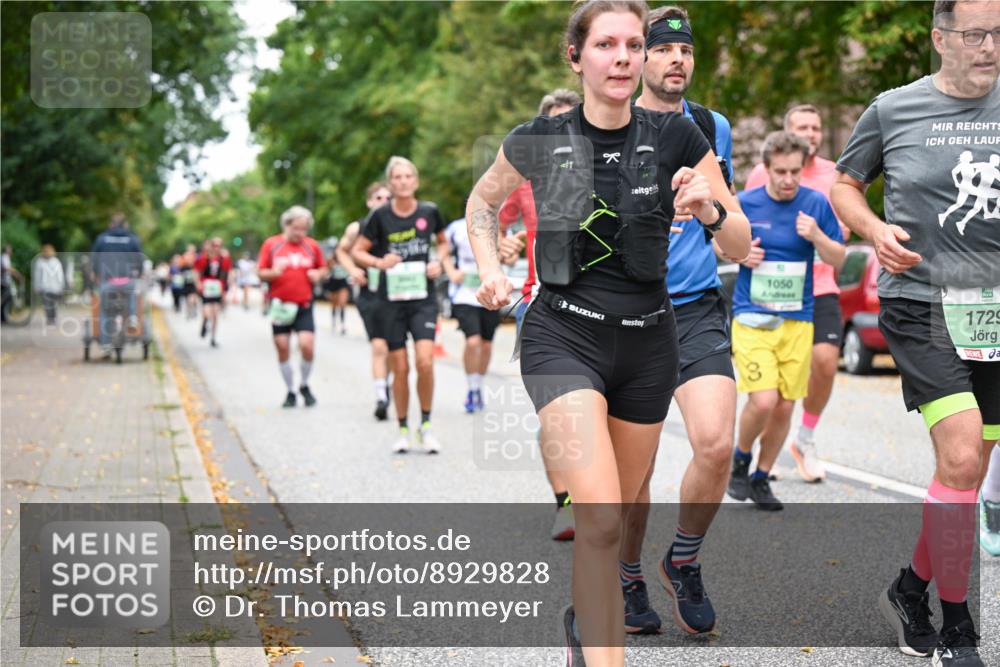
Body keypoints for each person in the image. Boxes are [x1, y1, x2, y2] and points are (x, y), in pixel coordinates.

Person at [466, 2, 751, 663]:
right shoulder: (540, 137)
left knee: (619, 512)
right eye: (606, 44)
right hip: (563, 336)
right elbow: (483, 202)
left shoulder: (679, 137)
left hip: (651, 342)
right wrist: (489, 269)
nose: (623, 56)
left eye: (633, 44)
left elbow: (738, 236)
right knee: (596, 515)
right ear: (577, 57)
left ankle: (584, 621)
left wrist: (708, 205)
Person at [831, 2, 999, 663]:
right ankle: (958, 625)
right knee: (960, 456)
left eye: (999, 34)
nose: (989, 46)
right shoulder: (893, 109)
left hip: (993, 308)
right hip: (920, 300)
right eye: (975, 34)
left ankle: (910, 589)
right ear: (939, 38)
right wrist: (872, 230)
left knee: (969, 468)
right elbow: (846, 185)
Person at [611, 3, 739, 636]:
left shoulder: (712, 126)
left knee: (717, 445)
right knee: (634, 478)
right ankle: (628, 574)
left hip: (693, 308)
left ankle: (682, 559)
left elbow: (737, 241)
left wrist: (710, 209)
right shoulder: (610, 124)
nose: (676, 60)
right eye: (662, 50)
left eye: (684, 50)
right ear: (638, 59)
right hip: (626, 317)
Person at [727, 132, 844, 511]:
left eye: (795, 171)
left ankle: (761, 476)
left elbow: (838, 257)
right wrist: (741, 255)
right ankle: (741, 458)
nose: (788, 179)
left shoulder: (814, 204)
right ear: (766, 169)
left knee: (784, 406)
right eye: (780, 171)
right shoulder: (746, 202)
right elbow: (718, 243)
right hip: (752, 315)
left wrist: (815, 236)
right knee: (762, 401)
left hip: (798, 318)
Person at [745, 103, 852, 482]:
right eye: (802, 127)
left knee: (825, 361)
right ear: (787, 133)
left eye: (816, 127)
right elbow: (746, 226)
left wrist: (825, 234)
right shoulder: (762, 172)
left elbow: (841, 234)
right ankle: (759, 454)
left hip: (819, 285)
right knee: (770, 389)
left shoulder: (832, 175)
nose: (810, 134)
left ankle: (804, 438)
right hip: (767, 289)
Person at [498, 88, 582, 542]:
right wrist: (501, 247)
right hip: (540, 304)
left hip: (599, 307)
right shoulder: (526, 181)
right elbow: (492, 218)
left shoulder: (605, 172)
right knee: (554, 414)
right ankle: (566, 503)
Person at [353, 158, 450, 454]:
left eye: (409, 176)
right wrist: (379, 262)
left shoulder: (429, 212)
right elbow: (358, 251)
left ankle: (427, 426)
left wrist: (438, 262)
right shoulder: (380, 216)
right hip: (390, 301)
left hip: (422, 299)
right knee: (401, 367)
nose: (404, 181)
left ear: (416, 182)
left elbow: (443, 243)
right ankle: (404, 429)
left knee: (424, 361)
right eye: (398, 177)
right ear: (390, 183)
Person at [258, 206, 328, 408]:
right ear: (286, 225)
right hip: (280, 305)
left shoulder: (311, 246)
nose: (300, 233)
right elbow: (260, 272)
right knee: (282, 347)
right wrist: (273, 272)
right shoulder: (272, 245)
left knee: (307, 345)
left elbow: (322, 268)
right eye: (296, 228)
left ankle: (304, 385)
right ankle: (290, 390)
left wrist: (318, 275)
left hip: (304, 304)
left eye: (304, 229)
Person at [337, 181, 394, 420]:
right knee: (379, 345)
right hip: (371, 294)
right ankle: (381, 396)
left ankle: (387, 384)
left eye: (387, 198)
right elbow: (341, 251)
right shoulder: (357, 227)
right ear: (369, 202)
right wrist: (352, 269)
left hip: (398, 293)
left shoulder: (398, 224)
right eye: (379, 198)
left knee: (394, 348)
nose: (384, 203)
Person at [444, 216, 502, 413]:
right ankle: (471, 389)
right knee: (473, 342)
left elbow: (509, 257)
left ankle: (478, 384)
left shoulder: (500, 226)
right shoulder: (456, 227)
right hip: (464, 295)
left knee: (486, 345)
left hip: (490, 294)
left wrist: (508, 251)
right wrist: (452, 272)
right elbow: (443, 251)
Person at [90, 214, 144, 353]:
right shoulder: (132, 239)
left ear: (111, 224)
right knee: (131, 294)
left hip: (108, 281)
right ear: (125, 225)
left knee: (104, 311)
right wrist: (139, 271)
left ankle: (106, 343)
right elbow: (139, 258)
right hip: (126, 280)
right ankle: (132, 317)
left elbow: (94, 258)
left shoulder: (102, 238)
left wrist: (95, 274)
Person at [194, 237, 232, 348]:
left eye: (219, 246)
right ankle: (205, 322)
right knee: (207, 312)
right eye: (215, 245)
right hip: (206, 288)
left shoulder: (224, 259)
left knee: (216, 313)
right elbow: (197, 271)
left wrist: (226, 288)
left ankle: (213, 338)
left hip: (217, 288)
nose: (216, 248)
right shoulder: (203, 258)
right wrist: (198, 283)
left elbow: (227, 273)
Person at [32, 244, 65, 325]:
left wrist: (61, 285)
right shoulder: (40, 262)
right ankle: (50, 319)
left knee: (53, 304)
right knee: (47, 304)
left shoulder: (56, 261)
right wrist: (36, 286)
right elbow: (37, 276)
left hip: (55, 287)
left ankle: (53, 318)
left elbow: (60, 275)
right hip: (45, 287)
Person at [325, 240, 351, 335]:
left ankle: (343, 324)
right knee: (334, 304)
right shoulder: (330, 259)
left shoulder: (344, 257)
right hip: (333, 282)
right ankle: (333, 322)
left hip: (343, 282)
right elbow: (326, 270)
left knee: (343, 303)